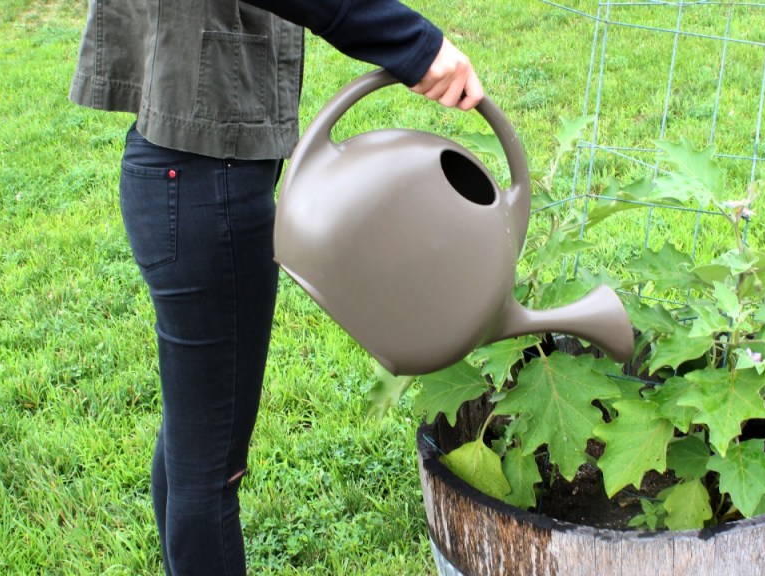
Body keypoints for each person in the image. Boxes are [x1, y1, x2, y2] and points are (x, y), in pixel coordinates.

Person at [68, 1, 483, 574]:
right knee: (209, 471)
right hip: (206, 184)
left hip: (179, 172)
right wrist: (414, 44)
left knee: (195, 447)